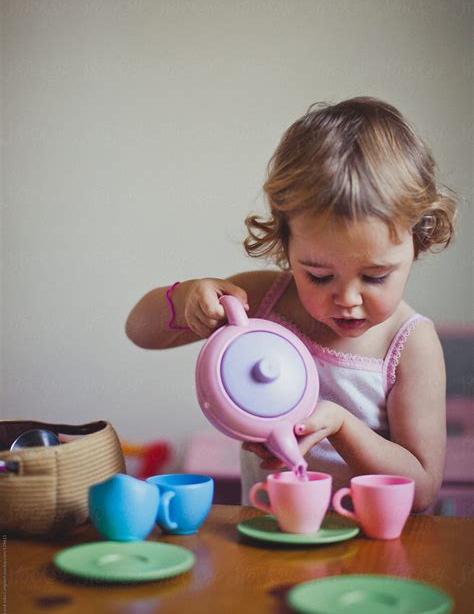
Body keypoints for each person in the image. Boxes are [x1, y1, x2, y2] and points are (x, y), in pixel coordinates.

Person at [126, 96, 457, 512]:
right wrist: (184, 299)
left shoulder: (410, 344)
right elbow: (139, 330)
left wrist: (341, 426)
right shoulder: (260, 302)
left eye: (375, 277)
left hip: (371, 550)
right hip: (265, 537)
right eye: (319, 275)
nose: (348, 299)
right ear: (284, 243)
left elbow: (421, 487)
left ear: (418, 240)